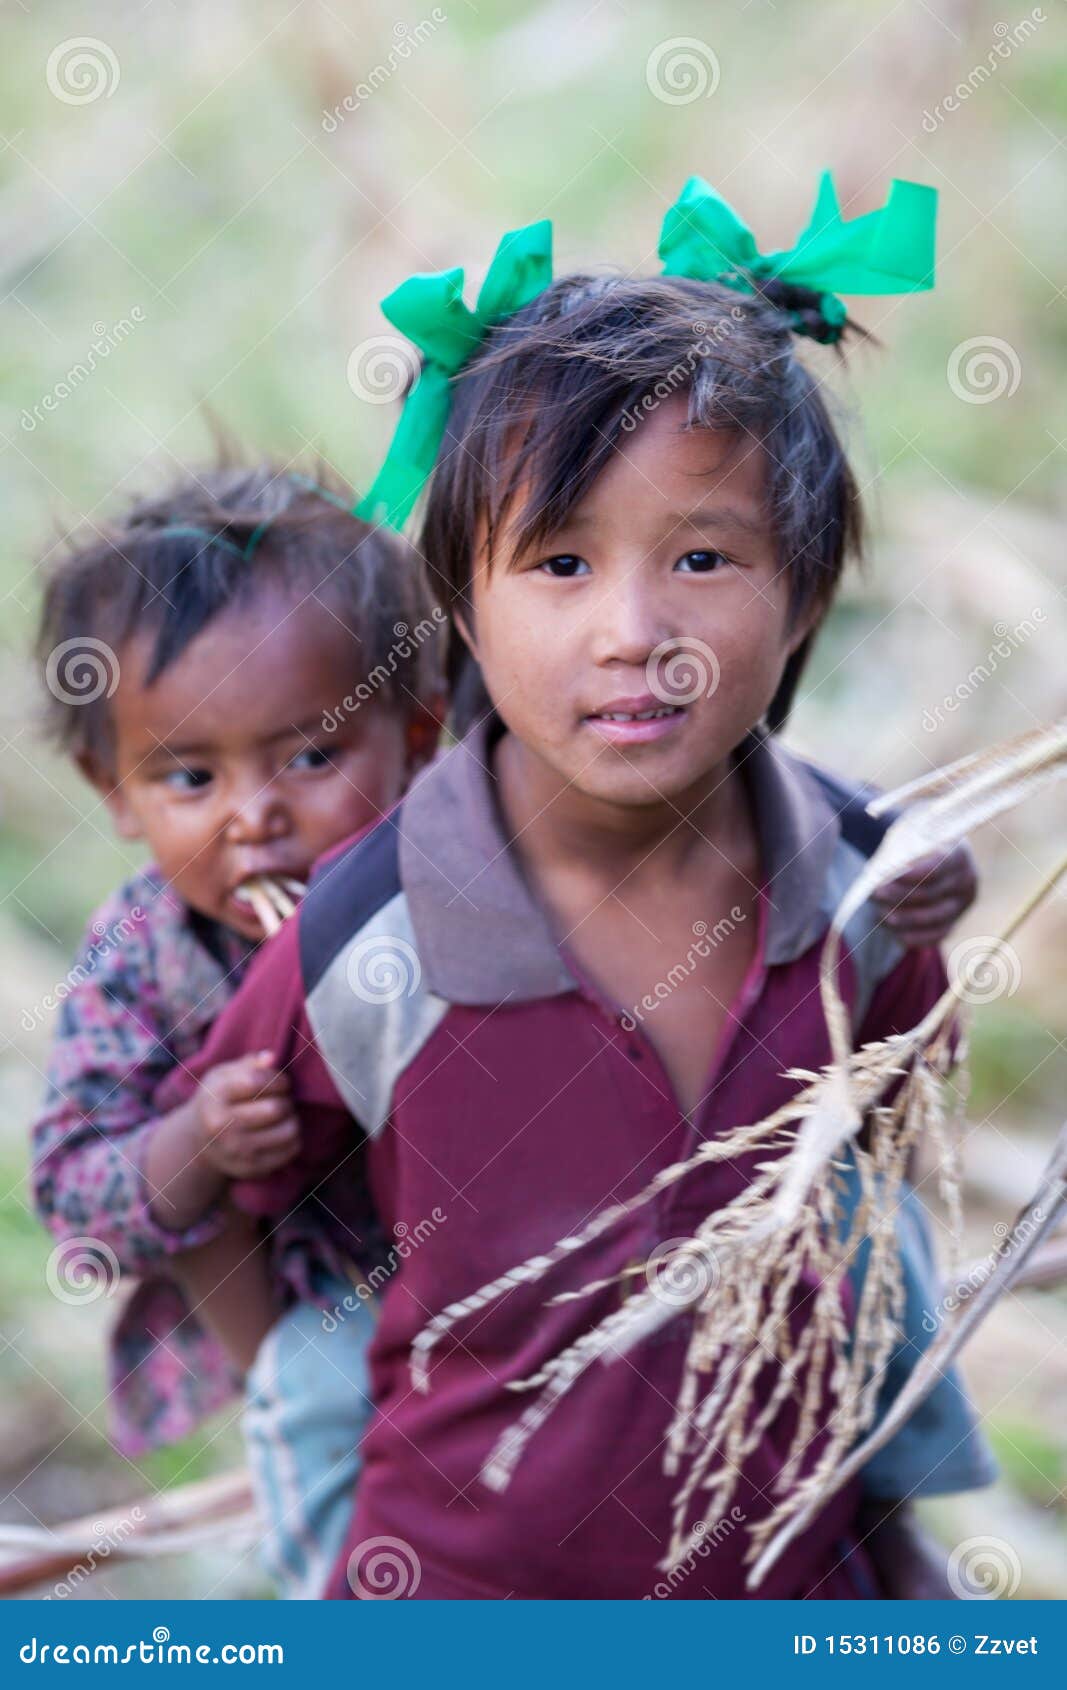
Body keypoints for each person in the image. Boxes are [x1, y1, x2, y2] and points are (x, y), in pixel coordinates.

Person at [154, 183, 996, 1599]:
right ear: (463, 609)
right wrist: (307, 1407)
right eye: (557, 561)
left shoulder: (863, 883)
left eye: (702, 557)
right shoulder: (376, 932)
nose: (632, 632)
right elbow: (212, 1191)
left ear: (799, 598)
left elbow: (890, 1138)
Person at [29, 461, 443, 1596]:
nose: (253, 815)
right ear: (112, 788)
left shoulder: (460, 876)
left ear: (420, 732)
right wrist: (197, 1144)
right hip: (312, 1321)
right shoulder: (144, 954)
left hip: (502, 1275)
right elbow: (76, 1191)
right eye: (190, 776)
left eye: (310, 756)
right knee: (323, 1428)